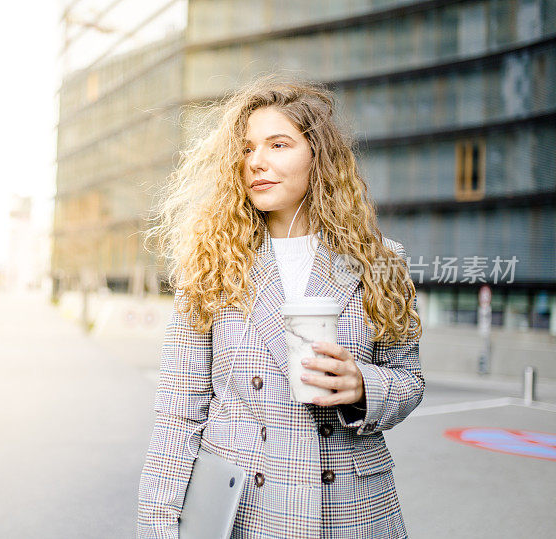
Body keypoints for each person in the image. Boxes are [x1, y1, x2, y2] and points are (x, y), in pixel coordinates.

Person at [137, 78, 424, 538]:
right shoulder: (214, 264)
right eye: (248, 148)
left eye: (279, 144)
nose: (257, 162)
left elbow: (409, 378)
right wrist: (158, 525)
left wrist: (363, 386)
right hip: (247, 508)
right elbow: (178, 410)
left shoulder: (381, 260)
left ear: (319, 156)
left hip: (351, 510)